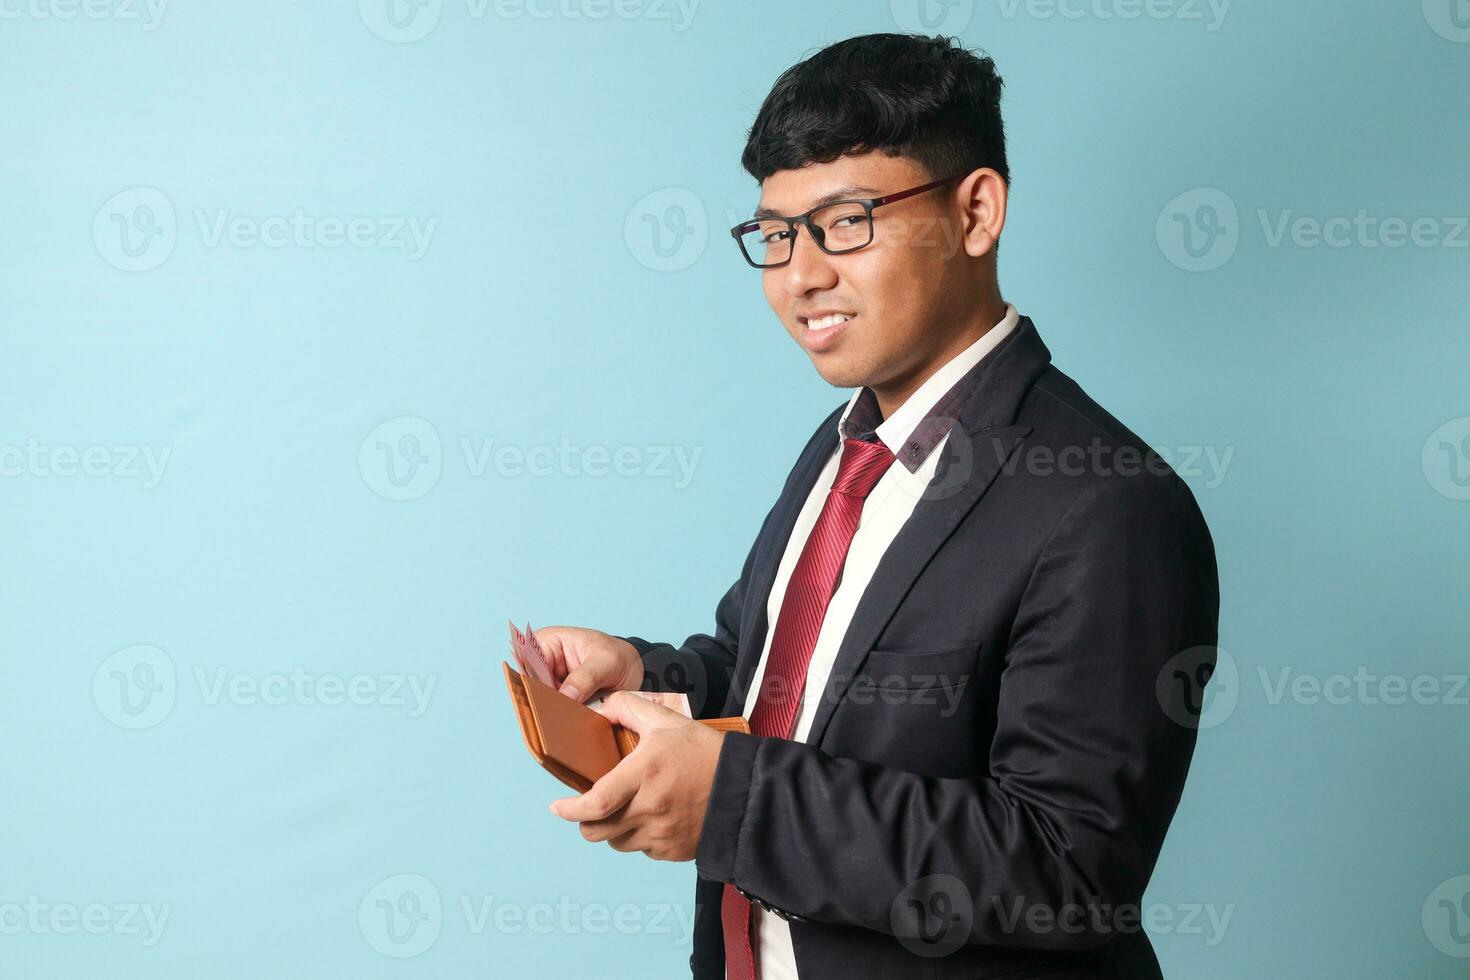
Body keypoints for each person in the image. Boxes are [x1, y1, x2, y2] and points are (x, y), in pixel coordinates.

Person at [541, 32, 1219, 980]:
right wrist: (653, 679)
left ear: (976, 211)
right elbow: (780, 679)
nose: (800, 276)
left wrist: (732, 804)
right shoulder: (843, 445)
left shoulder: (1110, 505)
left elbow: (1069, 869)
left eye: (846, 222)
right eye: (776, 234)